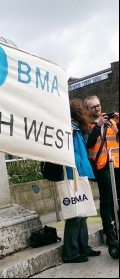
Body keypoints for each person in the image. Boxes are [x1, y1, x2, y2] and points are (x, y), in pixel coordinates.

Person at [61, 99, 101, 263]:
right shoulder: (68, 128)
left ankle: (83, 248)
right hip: (72, 172)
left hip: (79, 171)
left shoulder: (78, 128)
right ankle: (71, 252)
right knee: (75, 214)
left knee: (82, 212)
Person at [84, 95, 119, 246]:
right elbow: (89, 142)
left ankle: (117, 227)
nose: (97, 108)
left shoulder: (111, 122)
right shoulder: (87, 125)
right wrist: (98, 125)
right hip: (101, 167)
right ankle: (109, 232)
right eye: (93, 107)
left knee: (117, 199)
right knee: (107, 200)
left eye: (98, 105)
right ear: (88, 110)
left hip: (116, 165)